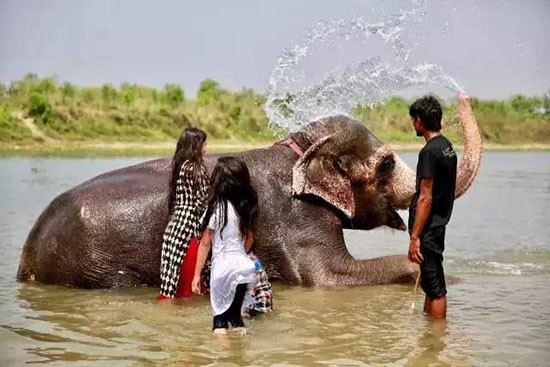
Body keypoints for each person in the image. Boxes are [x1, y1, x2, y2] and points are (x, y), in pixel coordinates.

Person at [407, 94, 471, 318]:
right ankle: (429, 330)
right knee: (430, 283)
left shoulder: (429, 152)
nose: (413, 124)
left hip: (428, 229)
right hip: (438, 224)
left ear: (419, 121)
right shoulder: (447, 147)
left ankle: (437, 340)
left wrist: (415, 237)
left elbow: (426, 197)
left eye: (413, 119)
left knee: (436, 290)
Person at [192, 156, 259, 335]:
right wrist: (240, 256)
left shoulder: (217, 208)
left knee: (219, 322)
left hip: (222, 268)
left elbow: (205, 243)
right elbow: (250, 239)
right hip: (244, 267)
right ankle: (241, 355)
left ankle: (223, 358)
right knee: (236, 318)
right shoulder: (245, 207)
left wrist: (196, 275)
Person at [158, 127, 209, 299]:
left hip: (174, 229)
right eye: (204, 142)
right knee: (190, 293)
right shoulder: (197, 168)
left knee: (170, 287)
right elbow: (203, 202)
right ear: (196, 146)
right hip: (189, 231)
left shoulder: (181, 167)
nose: (206, 146)